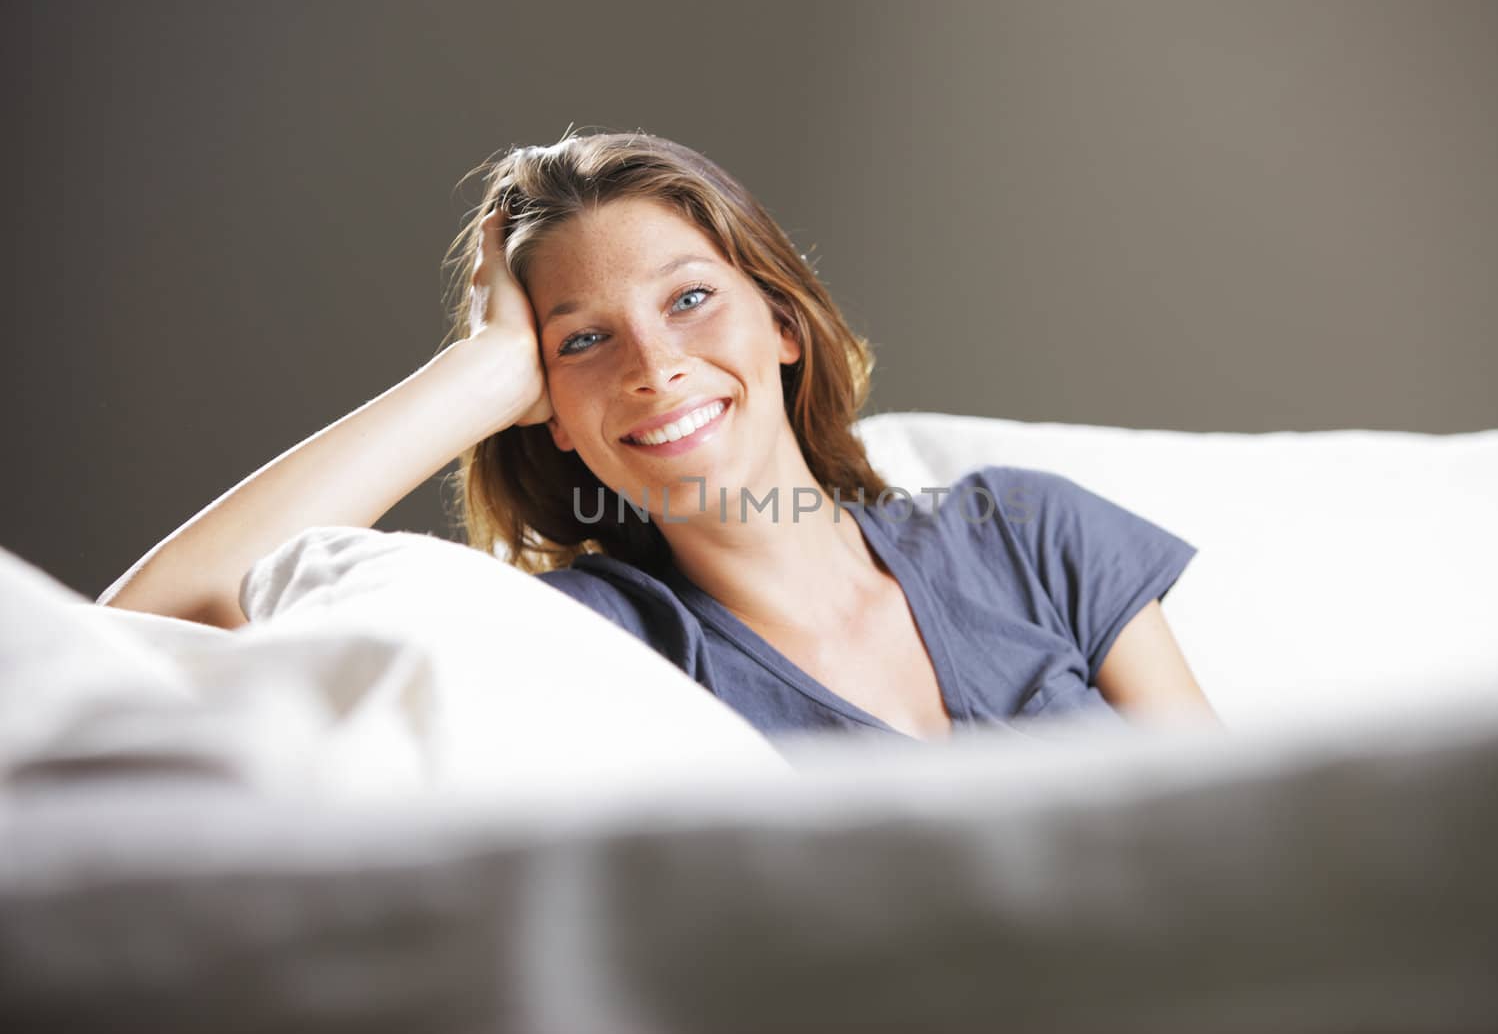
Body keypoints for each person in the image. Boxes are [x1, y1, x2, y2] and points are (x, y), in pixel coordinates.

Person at [100, 129, 1217, 742]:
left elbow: (1247, 841)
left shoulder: (1028, 533)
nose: (653, 364)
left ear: (782, 322)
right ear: (552, 420)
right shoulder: (604, 640)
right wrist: (476, 373)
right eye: (582, 342)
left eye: (689, 300)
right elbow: (144, 631)